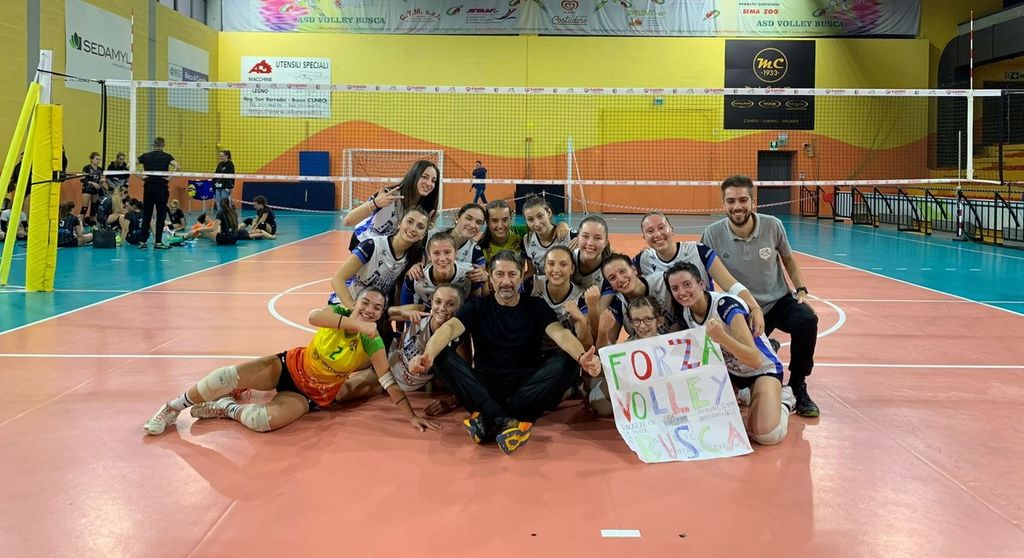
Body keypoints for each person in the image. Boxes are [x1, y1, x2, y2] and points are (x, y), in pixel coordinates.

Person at [142, 287, 441, 435]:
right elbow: (313, 317)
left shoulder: (373, 342)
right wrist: (359, 325)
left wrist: (411, 416)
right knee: (224, 377)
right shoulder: (338, 313)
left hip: (312, 395)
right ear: (355, 302)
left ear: (381, 314)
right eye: (365, 302)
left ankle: (225, 408)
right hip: (287, 367)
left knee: (263, 422)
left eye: (377, 308)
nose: (370, 310)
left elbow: (387, 379)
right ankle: (172, 407)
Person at [408, 250, 602, 455]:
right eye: (500, 274)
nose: (506, 281)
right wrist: (427, 355)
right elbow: (448, 329)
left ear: (521, 276)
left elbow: (560, 334)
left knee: (568, 363)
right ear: (491, 278)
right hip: (485, 388)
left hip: (527, 388)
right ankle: (508, 421)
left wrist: (581, 357)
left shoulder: (536, 306)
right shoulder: (477, 306)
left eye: (512, 274)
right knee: (440, 355)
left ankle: (489, 419)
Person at [700, 175, 820, 417]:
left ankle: (798, 384)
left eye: (743, 200)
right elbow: (704, 274)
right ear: (723, 204)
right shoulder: (712, 234)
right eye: (731, 201)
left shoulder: (772, 225)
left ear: (753, 202)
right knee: (742, 375)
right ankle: (766, 346)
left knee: (807, 319)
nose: (737, 206)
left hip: (777, 301)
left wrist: (801, 291)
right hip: (741, 309)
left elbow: (788, 259)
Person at [666, 261, 790, 445]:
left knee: (765, 435)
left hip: (761, 369)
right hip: (730, 372)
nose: (682, 292)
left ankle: (785, 400)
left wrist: (721, 337)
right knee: (707, 421)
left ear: (701, 284)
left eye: (687, 284)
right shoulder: (686, 313)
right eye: (675, 288)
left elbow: (754, 359)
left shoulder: (725, 306)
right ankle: (744, 393)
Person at [634, 211, 765, 336]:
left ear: (671, 229)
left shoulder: (698, 250)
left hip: (704, 322)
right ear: (644, 237)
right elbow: (625, 276)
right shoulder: (643, 260)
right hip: (669, 329)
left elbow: (730, 284)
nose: (657, 234)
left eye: (661, 227)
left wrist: (755, 308)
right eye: (650, 231)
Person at [388, 284, 468, 417]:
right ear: (431, 302)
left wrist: (449, 402)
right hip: (384, 363)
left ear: (459, 309)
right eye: (438, 302)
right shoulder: (420, 312)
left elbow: (466, 384)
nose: (442, 308)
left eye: (450, 304)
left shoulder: (458, 342)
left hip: (400, 387)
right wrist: (403, 313)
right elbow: (383, 313)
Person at [330, 207, 429, 310]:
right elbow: (337, 279)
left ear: (423, 235)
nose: (413, 229)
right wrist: (353, 308)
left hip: (372, 311)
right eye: (410, 222)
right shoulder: (371, 245)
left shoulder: (411, 258)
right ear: (399, 223)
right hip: (345, 304)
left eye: (420, 226)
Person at [588, 296, 667, 418]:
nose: (642, 326)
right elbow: (604, 355)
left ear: (659, 321)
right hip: (622, 394)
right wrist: (603, 331)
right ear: (630, 323)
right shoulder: (626, 347)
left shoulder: (669, 345)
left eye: (648, 319)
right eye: (636, 320)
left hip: (654, 396)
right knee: (603, 408)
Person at [343, 160, 440, 251]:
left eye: (433, 180)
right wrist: (375, 203)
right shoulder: (388, 195)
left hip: (387, 249)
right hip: (364, 241)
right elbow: (348, 221)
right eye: (424, 177)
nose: (429, 183)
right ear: (414, 175)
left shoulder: (426, 208)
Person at [588, 253, 677, 347]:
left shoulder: (664, 281)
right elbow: (606, 348)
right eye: (612, 278)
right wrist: (603, 331)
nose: (620, 279)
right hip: (645, 350)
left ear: (634, 269)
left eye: (622, 271)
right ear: (611, 286)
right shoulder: (618, 304)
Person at [400, 231, 481, 309]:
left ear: (456, 253)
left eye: (447, 252)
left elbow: (476, 305)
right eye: (436, 253)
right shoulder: (415, 276)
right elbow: (406, 309)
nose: (442, 259)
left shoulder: (471, 274)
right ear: (429, 256)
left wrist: (485, 279)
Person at [478, 199, 570, 267]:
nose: (500, 225)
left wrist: (562, 225)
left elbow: (542, 228)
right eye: (494, 220)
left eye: (505, 220)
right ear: (487, 222)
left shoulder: (520, 232)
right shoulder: (481, 247)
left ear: (511, 219)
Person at [136, 137, 180, 250]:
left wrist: (141, 177)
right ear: (163, 145)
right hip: (161, 188)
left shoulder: (146, 156)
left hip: (149, 188)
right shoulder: (167, 156)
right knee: (161, 216)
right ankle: (158, 243)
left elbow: (129, 166)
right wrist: (169, 177)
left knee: (147, 214)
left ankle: (143, 242)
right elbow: (177, 166)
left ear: (153, 144)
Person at [521, 195, 576, 277]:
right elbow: (532, 272)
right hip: (542, 285)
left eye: (540, 216)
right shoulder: (526, 240)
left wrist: (581, 239)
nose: (537, 224)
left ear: (549, 213)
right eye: (530, 219)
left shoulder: (570, 235)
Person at [573, 214, 613, 291]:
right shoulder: (568, 259)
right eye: (585, 236)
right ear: (578, 238)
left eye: (597, 238)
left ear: (605, 242)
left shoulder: (611, 269)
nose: (590, 243)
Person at [80, 152, 104, 218]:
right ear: (92, 159)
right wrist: (92, 183)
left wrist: (101, 182)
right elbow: (82, 179)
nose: (98, 161)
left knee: (94, 207)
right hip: (87, 188)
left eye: (99, 159)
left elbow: (101, 179)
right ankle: (81, 220)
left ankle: (92, 221)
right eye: (97, 159)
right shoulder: (86, 168)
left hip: (95, 189)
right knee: (85, 207)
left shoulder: (100, 169)